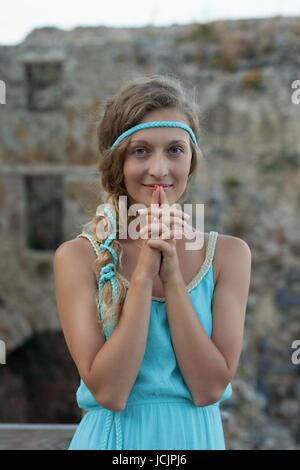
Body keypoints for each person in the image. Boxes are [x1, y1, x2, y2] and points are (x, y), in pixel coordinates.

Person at [53, 74, 251, 450]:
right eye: (141, 150)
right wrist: (144, 273)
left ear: (191, 160)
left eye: (175, 150)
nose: (160, 169)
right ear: (117, 162)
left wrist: (173, 276)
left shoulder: (229, 255)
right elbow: (110, 391)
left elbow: (209, 387)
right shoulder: (77, 258)